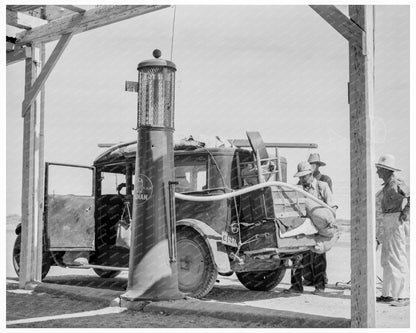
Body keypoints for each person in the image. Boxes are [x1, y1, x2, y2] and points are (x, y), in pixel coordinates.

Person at [285, 161, 335, 295]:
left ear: (311, 174)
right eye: (300, 177)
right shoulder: (297, 189)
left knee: (318, 256)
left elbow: (332, 207)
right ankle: (296, 286)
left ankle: (320, 287)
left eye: (304, 176)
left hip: (318, 227)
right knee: (297, 255)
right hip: (304, 227)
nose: (302, 179)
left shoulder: (322, 186)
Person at [375, 154, 410, 307]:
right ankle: (387, 294)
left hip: (395, 219)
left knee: (397, 257)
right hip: (388, 220)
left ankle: (402, 296)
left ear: (386, 170)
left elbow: (411, 196)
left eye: (379, 170)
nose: (377, 173)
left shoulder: (397, 183)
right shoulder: (388, 185)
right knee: (387, 258)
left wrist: (405, 213)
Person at [304, 153, 333, 286]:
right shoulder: (302, 182)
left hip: (320, 220)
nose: (312, 166)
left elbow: (330, 203)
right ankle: (309, 278)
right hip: (308, 222)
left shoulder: (324, 181)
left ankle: (320, 281)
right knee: (306, 252)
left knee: (319, 252)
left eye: (313, 164)